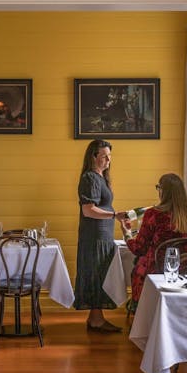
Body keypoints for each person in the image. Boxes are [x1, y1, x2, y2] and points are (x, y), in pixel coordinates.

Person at [119, 173, 187, 307]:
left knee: (139, 264)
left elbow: (139, 249)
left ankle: (141, 313)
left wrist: (127, 234)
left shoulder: (153, 215)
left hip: (158, 273)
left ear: (162, 191)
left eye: (158, 187)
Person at [75, 139, 127, 332]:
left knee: (101, 274)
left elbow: (102, 207)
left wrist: (118, 219)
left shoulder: (101, 178)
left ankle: (95, 318)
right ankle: (96, 320)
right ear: (93, 157)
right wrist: (114, 214)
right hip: (94, 236)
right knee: (97, 274)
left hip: (102, 234)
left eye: (109, 156)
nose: (108, 160)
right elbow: (89, 210)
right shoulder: (89, 178)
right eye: (104, 156)